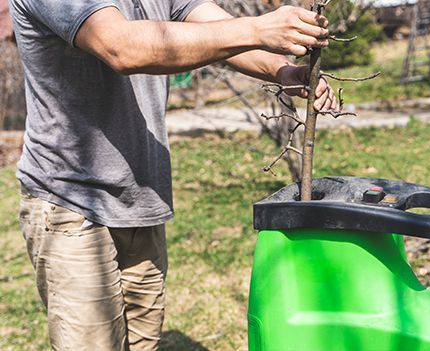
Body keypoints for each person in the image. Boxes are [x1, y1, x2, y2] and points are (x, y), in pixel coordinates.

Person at [9, 0, 337, 349]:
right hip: (71, 201)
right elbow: (121, 46)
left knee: (143, 343)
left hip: (141, 196)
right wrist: (259, 29)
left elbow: (213, 25)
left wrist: (281, 70)